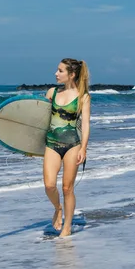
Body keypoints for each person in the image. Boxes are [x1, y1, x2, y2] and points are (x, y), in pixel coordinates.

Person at [43, 58, 91, 237]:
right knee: (49, 185)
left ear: (71, 75)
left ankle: (67, 226)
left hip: (72, 145)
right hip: (51, 144)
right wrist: (30, 146)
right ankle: (58, 208)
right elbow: (38, 121)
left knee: (67, 188)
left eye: (60, 71)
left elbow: (85, 125)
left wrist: (83, 149)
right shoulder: (51, 93)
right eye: (57, 70)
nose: (56, 74)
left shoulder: (83, 97)